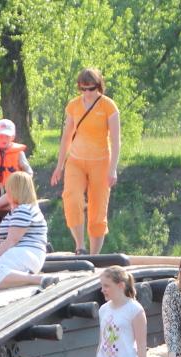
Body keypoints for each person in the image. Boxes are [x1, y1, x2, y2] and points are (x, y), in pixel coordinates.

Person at [51, 68, 121, 254]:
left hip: (101, 162)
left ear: (99, 86)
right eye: (83, 89)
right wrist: (59, 166)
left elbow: (116, 141)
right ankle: (80, 246)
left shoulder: (108, 106)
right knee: (72, 199)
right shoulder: (73, 105)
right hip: (76, 161)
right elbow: (66, 137)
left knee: (98, 211)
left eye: (91, 88)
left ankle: (94, 256)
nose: (87, 93)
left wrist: (113, 169)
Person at [0, 172, 57, 291]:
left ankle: (36, 279)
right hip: (13, 254)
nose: (6, 193)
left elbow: (10, 242)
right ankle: (3, 278)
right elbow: (3, 243)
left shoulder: (24, 209)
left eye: (8, 189)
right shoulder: (17, 210)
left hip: (27, 253)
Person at [92, 266, 148, 357]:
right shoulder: (103, 310)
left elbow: (141, 345)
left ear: (121, 286)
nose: (102, 290)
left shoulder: (135, 310)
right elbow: (101, 344)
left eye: (106, 286)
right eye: (102, 286)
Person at [0, 119, 32, 194]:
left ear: (13, 137)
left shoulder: (19, 153)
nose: (4, 139)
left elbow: (29, 172)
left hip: (13, 192)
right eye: (0, 136)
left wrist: (21, 185)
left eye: (7, 136)